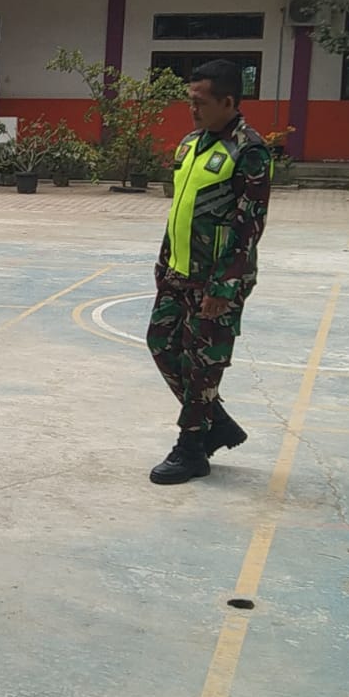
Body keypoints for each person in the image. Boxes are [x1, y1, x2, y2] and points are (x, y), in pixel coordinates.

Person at [146, 59, 273, 486]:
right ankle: (214, 421)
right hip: (178, 272)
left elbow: (249, 224)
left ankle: (192, 446)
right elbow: (179, 211)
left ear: (229, 101)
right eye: (190, 101)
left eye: (201, 102)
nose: (192, 110)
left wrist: (225, 284)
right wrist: (164, 264)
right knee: (162, 343)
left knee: (203, 363)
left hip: (217, 279)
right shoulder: (191, 144)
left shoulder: (249, 150)